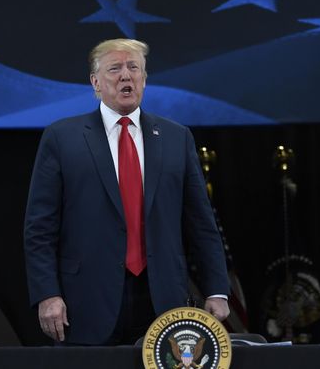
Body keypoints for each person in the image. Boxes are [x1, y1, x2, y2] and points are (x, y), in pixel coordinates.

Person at [24, 38, 230, 345]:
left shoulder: (176, 137)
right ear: (95, 82)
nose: (126, 75)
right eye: (115, 68)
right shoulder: (62, 138)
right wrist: (47, 293)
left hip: (161, 298)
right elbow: (39, 227)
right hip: (85, 299)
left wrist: (216, 288)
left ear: (144, 80)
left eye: (134, 67)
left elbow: (201, 222)